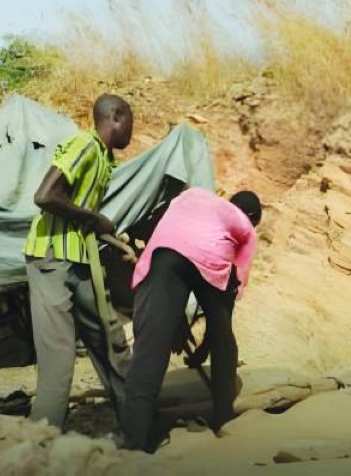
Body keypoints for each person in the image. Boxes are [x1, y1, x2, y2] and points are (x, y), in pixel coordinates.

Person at [120, 187, 262, 452]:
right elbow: (227, 302)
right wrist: (208, 347)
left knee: (149, 353)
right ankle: (222, 419)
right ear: (252, 216)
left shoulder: (192, 196)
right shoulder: (245, 226)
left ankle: (134, 442)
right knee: (225, 342)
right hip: (210, 258)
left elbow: (167, 238)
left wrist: (174, 324)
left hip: (165, 253)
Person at [23, 93, 134, 428]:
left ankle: (137, 424)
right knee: (59, 355)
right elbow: (45, 196)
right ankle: (42, 442)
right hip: (51, 258)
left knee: (108, 336)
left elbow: (80, 215)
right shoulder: (85, 144)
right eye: (131, 120)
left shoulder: (103, 158)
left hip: (80, 261)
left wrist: (113, 240)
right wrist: (94, 219)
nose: (132, 129)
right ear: (115, 116)